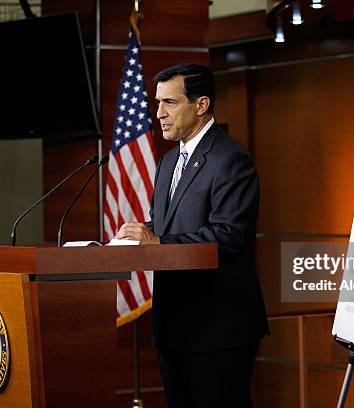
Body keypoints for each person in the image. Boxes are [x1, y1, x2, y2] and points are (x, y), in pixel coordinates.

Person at [116, 63, 268, 407]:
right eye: (157, 103)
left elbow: (228, 235)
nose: (159, 114)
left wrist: (157, 241)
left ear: (201, 105)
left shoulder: (230, 158)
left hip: (217, 328)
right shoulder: (169, 161)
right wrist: (138, 237)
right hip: (174, 325)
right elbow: (166, 225)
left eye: (169, 102)